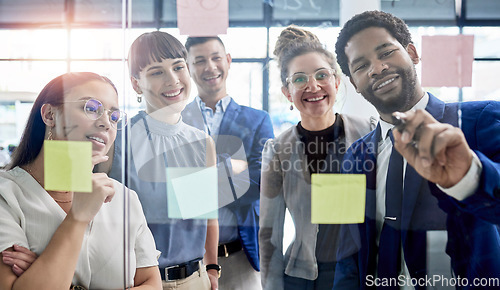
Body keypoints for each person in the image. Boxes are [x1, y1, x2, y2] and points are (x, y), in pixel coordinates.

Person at [333, 10, 500, 289]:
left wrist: (470, 174)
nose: (377, 68)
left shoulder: (478, 120)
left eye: (386, 52)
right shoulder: (352, 157)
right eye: (361, 66)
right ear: (354, 83)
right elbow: (347, 253)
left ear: (412, 53)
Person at [0, 72, 161, 289]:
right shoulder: (6, 195)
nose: (106, 123)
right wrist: (78, 217)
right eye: (92, 108)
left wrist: (45, 273)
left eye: (114, 117)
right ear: (49, 115)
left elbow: (152, 284)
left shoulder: (124, 198)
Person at [98, 31, 219, 290]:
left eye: (178, 67)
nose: (173, 80)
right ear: (136, 84)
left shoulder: (201, 143)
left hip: (194, 281)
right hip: (134, 282)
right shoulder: (115, 140)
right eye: (156, 72)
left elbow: (208, 218)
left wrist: (211, 270)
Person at [259, 26, 376, 290]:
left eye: (321, 75)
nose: (313, 85)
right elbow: (269, 235)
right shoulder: (278, 150)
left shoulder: (368, 132)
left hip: (361, 270)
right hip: (302, 278)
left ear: (336, 82)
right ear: (288, 93)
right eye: (299, 79)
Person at [182, 36, 274, 290]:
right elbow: (169, 187)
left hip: (241, 258)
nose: (209, 66)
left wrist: (198, 183)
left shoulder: (257, 120)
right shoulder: (177, 120)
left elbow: (261, 180)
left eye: (216, 58)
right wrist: (231, 168)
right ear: (188, 68)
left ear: (228, 61)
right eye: (199, 61)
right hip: (186, 260)